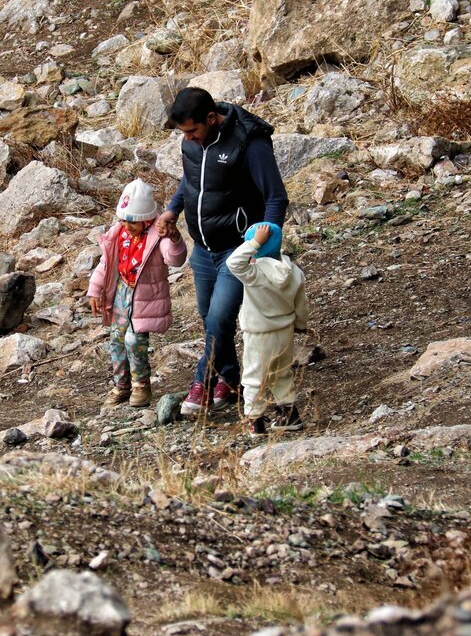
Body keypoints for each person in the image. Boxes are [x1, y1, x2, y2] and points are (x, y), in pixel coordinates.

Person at [154, 87, 288, 417]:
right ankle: (230, 380)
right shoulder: (193, 142)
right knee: (211, 320)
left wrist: (263, 246)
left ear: (211, 119)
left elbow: (276, 198)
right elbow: (193, 181)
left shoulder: (249, 143)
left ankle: (202, 382)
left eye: (192, 131)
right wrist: (172, 209)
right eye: (184, 133)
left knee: (218, 318)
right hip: (203, 249)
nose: (188, 138)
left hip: (238, 249)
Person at [88, 179, 187, 408]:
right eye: (123, 219)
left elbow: (175, 259)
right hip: (122, 290)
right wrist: (95, 289)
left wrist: (174, 238)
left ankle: (141, 384)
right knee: (117, 338)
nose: (127, 225)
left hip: (144, 297)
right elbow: (106, 263)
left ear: (148, 219)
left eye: (132, 220)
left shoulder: (156, 236)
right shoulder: (119, 234)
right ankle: (121, 385)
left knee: (134, 340)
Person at [226, 222, 309, 436]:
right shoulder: (293, 271)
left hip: (259, 333)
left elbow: (232, 262)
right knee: (281, 373)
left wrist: (254, 242)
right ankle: (289, 414)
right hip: (285, 331)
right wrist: (300, 325)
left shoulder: (254, 273)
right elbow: (301, 303)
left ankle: (254, 420)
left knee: (254, 376)